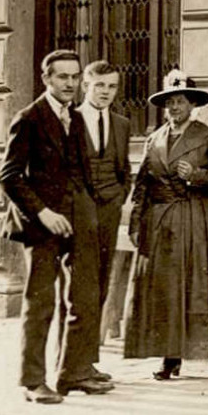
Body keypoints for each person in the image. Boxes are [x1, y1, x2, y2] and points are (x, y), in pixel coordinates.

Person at [1, 49, 112, 402]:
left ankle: (73, 373)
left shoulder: (75, 118)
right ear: (46, 79)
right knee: (40, 302)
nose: (70, 83)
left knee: (84, 297)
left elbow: (81, 170)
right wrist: (43, 213)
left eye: (75, 77)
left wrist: (88, 212)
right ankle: (33, 382)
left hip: (79, 220)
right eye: (62, 77)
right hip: (42, 224)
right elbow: (10, 177)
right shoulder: (28, 118)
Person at [124, 71, 208, 380]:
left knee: (204, 287)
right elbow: (142, 186)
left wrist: (198, 175)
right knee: (167, 289)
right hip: (162, 223)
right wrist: (136, 223)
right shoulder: (155, 138)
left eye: (181, 102)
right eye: (170, 102)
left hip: (197, 218)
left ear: (192, 105)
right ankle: (169, 357)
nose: (175, 108)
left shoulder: (207, 136)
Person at [73, 60, 135, 383]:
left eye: (112, 86)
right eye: (99, 85)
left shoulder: (122, 124)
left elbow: (124, 167)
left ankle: (88, 362)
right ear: (86, 85)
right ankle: (70, 362)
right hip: (78, 214)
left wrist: (119, 196)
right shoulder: (70, 120)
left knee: (100, 287)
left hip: (109, 212)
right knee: (76, 292)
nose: (106, 93)